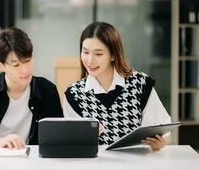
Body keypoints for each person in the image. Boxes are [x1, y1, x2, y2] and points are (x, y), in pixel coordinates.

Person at [63, 22, 171, 150]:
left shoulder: (140, 84)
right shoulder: (74, 94)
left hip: (136, 163)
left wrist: (160, 142)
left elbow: (161, 126)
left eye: (98, 54)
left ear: (113, 55)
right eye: (85, 52)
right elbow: (72, 141)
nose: (90, 60)